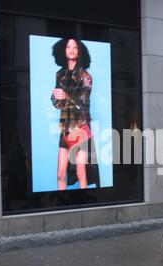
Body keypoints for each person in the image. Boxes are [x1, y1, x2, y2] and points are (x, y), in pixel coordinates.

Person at [51, 38, 100, 190]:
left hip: (80, 128)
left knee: (81, 172)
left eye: (75, 47)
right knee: (60, 173)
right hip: (64, 128)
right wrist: (57, 98)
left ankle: (83, 202)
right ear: (63, 51)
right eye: (68, 46)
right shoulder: (60, 74)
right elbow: (56, 103)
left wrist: (65, 96)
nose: (71, 49)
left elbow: (83, 102)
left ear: (79, 52)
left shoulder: (85, 76)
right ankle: (61, 205)